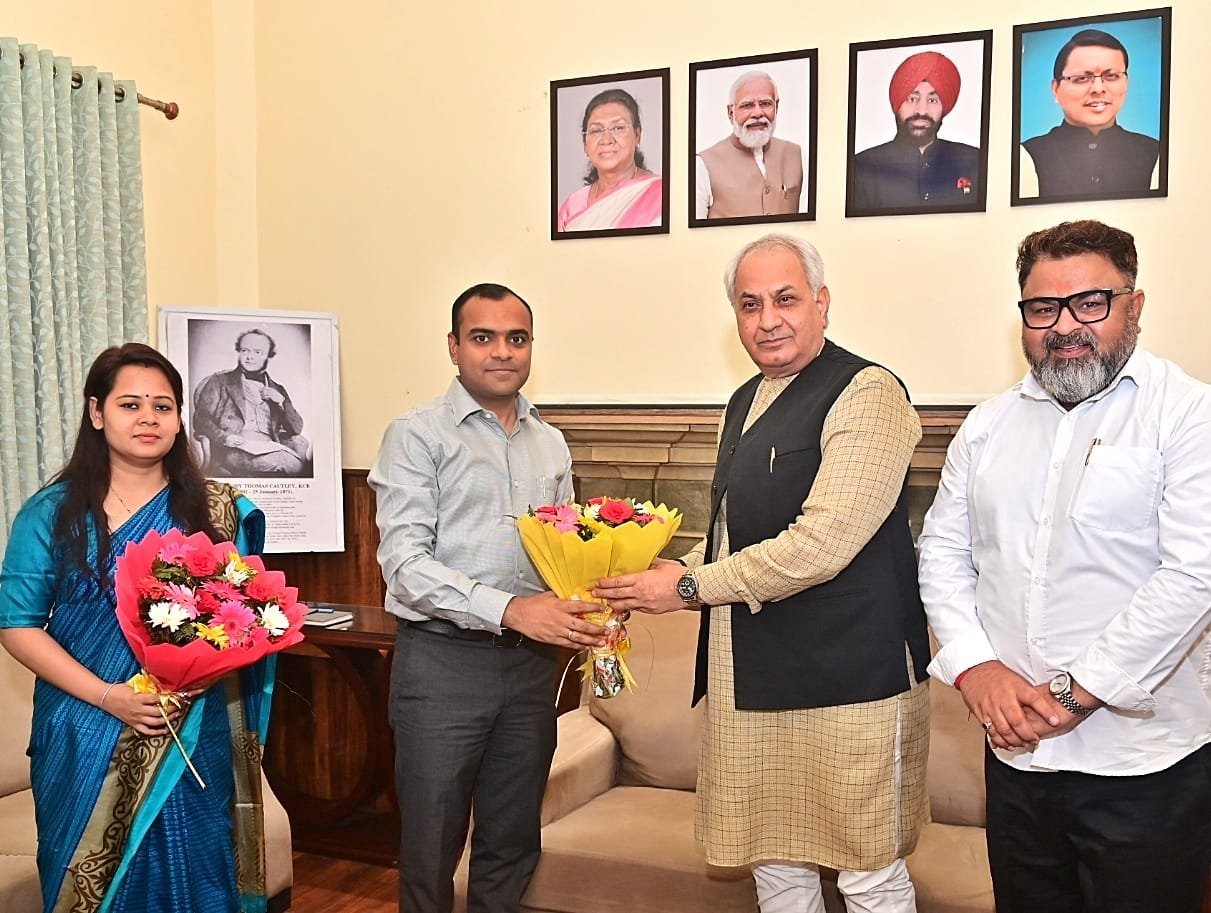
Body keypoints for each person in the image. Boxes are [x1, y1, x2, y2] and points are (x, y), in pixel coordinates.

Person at [595, 234, 931, 913]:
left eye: (785, 299)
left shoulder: (869, 392)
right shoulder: (745, 398)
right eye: (749, 305)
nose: (767, 319)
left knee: (865, 871)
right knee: (773, 861)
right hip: (751, 677)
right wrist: (666, 570)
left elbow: (822, 543)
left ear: (821, 302)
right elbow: (731, 535)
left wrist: (686, 588)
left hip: (850, 681)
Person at [918, 220, 1211, 912]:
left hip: (1144, 769)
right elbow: (941, 552)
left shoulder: (1187, 414)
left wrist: (1073, 695)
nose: (1064, 326)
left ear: (1134, 306)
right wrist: (975, 670)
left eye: (1090, 303)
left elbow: (1193, 575)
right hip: (1016, 762)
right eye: (1043, 308)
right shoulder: (986, 426)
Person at [0, 343, 270, 913]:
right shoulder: (52, 512)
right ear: (97, 413)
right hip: (85, 726)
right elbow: (17, 624)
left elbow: (241, 620)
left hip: (192, 724)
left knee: (198, 873)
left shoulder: (216, 511)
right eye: (130, 404)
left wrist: (194, 678)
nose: (148, 418)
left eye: (162, 406)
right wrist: (110, 696)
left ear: (178, 419)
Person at [368, 282, 607, 913]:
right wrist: (511, 610)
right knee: (431, 848)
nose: (502, 351)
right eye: (483, 337)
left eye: (516, 338)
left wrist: (605, 587)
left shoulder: (549, 441)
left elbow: (564, 547)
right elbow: (404, 566)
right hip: (442, 665)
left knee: (512, 841)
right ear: (454, 347)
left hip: (531, 668)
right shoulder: (416, 435)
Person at [1020, 29, 1160, 199]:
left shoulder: (1156, 154)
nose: (1098, 89)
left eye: (1111, 76)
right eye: (1082, 78)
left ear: (1126, 82)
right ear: (1056, 89)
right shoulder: (1026, 156)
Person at [850, 50, 980, 212]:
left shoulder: (974, 161)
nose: (922, 110)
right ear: (898, 104)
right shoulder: (861, 168)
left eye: (932, 100)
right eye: (912, 99)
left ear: (943, 107)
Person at [192, 328, 312, 476]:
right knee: (291, 465)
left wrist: (282, 402)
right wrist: (224, 438)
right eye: (244, 351)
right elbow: (201, 419)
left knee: (300, 465)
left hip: (270, 446)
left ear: (268, 356)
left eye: (257, 352)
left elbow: (296, 429)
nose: (249, 357)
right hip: (234, 448)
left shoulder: (277, 389)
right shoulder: (220, 381)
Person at [696, 71, 806, 219]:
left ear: (776, 107)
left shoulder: (798, 156)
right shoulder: (702, 165)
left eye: (765, 104)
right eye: (747, 105)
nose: (757, 113)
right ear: (731, 113)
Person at [556, 88, 663, 232]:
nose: (606, 140)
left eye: (618, 128)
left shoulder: (663, 193)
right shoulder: (571, 207)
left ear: (637, 135)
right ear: (585, 144)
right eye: (596, 131)